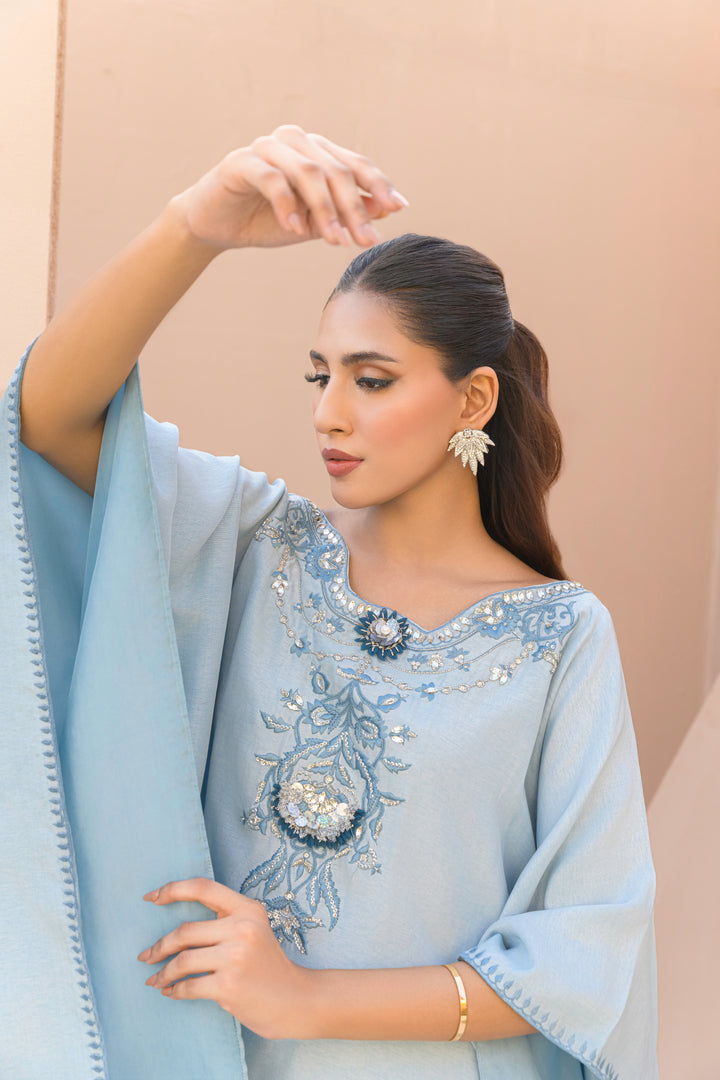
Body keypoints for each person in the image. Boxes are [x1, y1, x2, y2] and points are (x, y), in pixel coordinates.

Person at [4, 125, 657, 1079]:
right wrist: (195, 226)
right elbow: (46, 415)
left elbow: (580, 959)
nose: (328, 412)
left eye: (371, 379)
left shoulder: (558, 638)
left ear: (473, 400)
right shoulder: (251, 543)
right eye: (320, 375)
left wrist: (308, 999)